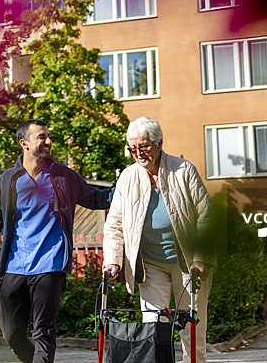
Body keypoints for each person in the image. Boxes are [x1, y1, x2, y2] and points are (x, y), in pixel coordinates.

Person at [0, 119, 114, 363]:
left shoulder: (63, 176)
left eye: (48, 136)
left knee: (44, 332)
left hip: (51, 264)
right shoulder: (8, 181)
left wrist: (128, 184)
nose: (48, 141)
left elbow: (97, 199)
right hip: (15, 266)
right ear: (24, 143)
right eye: (41, 137)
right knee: (11, 332)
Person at [103, 116, 213, 362]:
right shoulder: (127, 177)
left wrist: (201, 258)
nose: (138, 153)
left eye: (143, 146)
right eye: (133, 148)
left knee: (191, 329)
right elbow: (114, 224)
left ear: (159, 143)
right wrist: (113, 260)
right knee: (153, 328)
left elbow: (205, 216)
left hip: (187, 262)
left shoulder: (183, 170)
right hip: (150, 264)